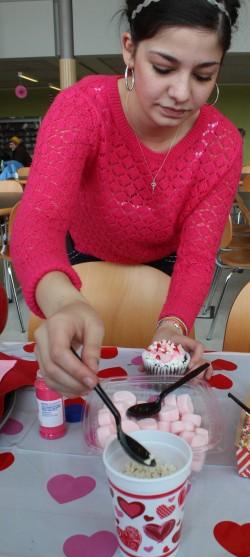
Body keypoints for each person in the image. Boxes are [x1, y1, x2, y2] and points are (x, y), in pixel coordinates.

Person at [11, 0, 242, 397]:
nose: (182, 93)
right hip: (80, 257)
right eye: (164, 68)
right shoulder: (83, 108)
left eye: (204, 76)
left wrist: (173, 325)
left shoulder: (220, 142)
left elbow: (198, 255)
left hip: (167, 267)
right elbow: (38, 219)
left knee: (161, 389)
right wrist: (64, 301)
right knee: (77, 376)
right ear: (129, 50)